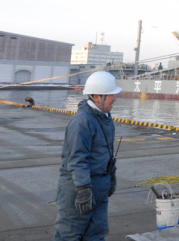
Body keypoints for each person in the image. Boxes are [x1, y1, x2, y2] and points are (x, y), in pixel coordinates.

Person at [52, 71, 121, 241]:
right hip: (78, 187)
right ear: (98, 97)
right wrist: (83, 189)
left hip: (99, 186)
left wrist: (110, 176)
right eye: (111, 95)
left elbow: (105, 152)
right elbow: (76, 160)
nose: (115, 99)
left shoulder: (104, 118)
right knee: (69, 234)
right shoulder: (82, 121)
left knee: (96, 233)